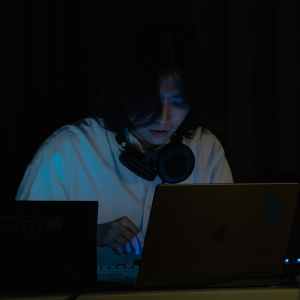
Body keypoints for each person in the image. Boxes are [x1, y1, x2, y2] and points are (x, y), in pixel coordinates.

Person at [15, 21, 234, 266]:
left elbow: (228, 245)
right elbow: (20, 246)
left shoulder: (207, 150)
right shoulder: (65, 152)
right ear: (124, 92)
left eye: (179, 101)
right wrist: (90, 233)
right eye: (149, 100)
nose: (163, 118)